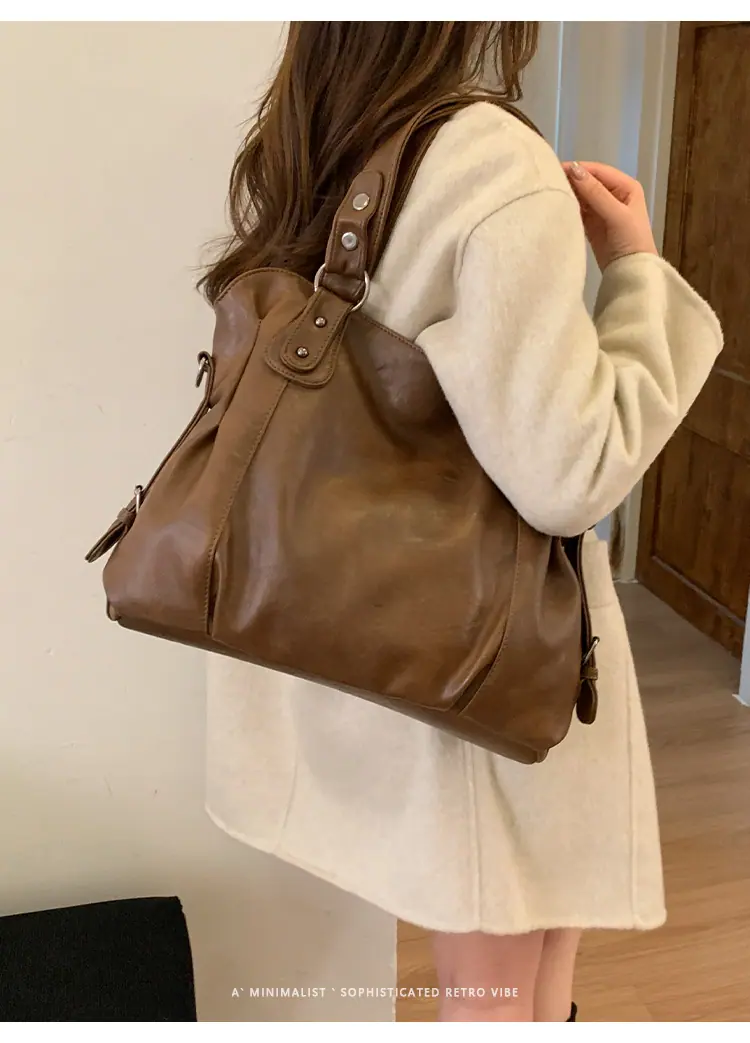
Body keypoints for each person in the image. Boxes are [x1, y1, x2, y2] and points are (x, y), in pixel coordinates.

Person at [199, 23, 723, 1022]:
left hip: (357, 628)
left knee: (526, 958)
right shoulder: (488, 162)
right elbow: (570, 469)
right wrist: (638, 272)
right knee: (497, 992)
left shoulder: (311, 136)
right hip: (479, 660)